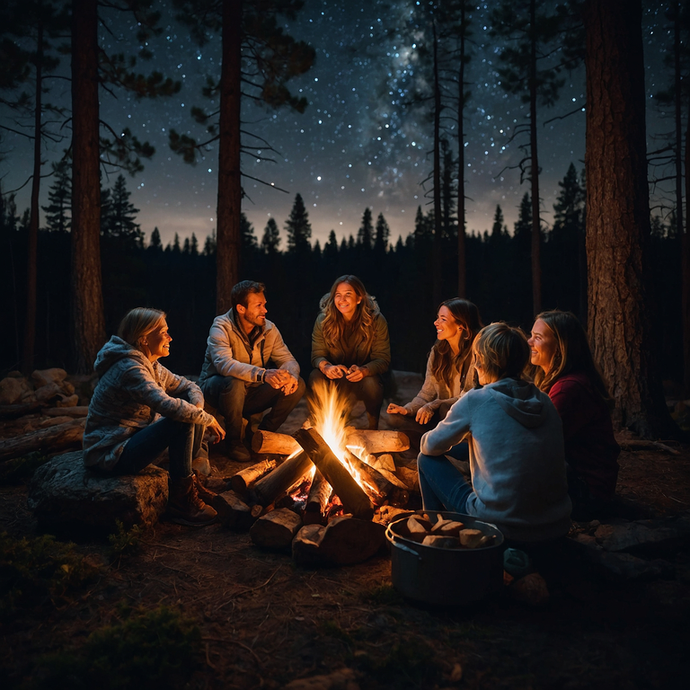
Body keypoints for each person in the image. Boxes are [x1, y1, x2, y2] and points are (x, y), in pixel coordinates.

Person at [417, 322, 572, 543]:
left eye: (477, 357)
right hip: (554, 527)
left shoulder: (476, 399)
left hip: (498, 527)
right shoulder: (544, 401)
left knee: (426, 460)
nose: (476, 363)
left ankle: (434, 533)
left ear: (483, 361)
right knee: (467, 448)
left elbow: (429, 446)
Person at [83, 308, 225, 527]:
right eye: (164, 332)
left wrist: (197, 409)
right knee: (180, 417)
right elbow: (167, 406)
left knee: (187, 412)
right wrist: (206, 418)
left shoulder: (152, 365)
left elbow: (189, 385)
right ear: (144, 338)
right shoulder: (130, 369)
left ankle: (187, 483)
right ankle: (181, 502)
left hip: (132, 440)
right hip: (111, 452)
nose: (170, 337)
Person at [199, 280, 306, 462]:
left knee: (299, 385)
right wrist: (263, 374)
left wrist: (291, 375)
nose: (264, 310)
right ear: (241, 309)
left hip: (251, 392)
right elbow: (224, 364)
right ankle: (234, 441)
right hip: (217, 392)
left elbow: (287, 359)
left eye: (264, 305)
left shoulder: (269, 329)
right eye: (258, 306)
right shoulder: (221, 327)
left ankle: (261, 436)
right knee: (234, 382)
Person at [529, 310, 620, 519]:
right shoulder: (558, 383)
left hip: (587, 492)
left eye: (538, 337)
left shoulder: (569, 388)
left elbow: (538, 442)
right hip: (582, 482)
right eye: (531, 334)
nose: (529, 342)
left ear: (561, 347)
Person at [387, 298, 482, 429]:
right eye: (438, 318)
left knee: (446, 409)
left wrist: (435, 404)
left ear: (461, 325)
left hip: (467, 417)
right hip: (442, 418)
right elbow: (427, 393)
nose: (436, 323)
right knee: (395, 419)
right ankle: (433, 444)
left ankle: (444, 445)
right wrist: (408, 409)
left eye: (443, 319)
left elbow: (469, 396)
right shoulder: (438, 352)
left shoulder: (477, 352)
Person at [310, 275, 391, 429]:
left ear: (359, 298)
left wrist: (364, 371)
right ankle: (326, 423)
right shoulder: (323, 321)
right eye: (338, 295)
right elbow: (317, 355)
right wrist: (326, 367)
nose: (342, 300)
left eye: (348, 294)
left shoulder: (376, 321)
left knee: (372, 383)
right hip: (336, 376)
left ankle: (373, 424)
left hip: (363, 377)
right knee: (315, 376)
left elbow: (382, 359)